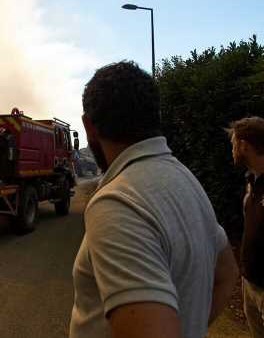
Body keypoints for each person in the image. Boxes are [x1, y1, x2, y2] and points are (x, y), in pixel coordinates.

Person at [69, 61, 238, 338]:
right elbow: (227, 273)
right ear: (155, 116)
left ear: (89, 125)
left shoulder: (117, 202)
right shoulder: (187, 181)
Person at [226, 116, 264, 338]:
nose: (232, 150)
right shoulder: (251, 181)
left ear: (244, 145)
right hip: (250, 283)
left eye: (233, 143)